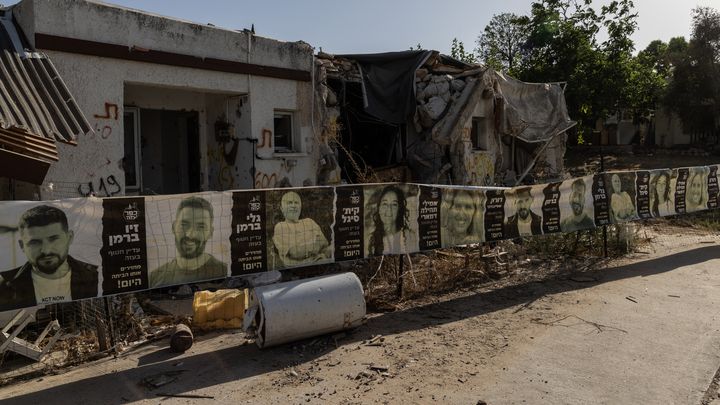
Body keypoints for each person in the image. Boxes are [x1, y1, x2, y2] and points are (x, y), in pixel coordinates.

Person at [0, 205, 98, 310]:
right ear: (22, 246)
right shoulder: (4, 285)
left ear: (69, 238)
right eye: (35, 242)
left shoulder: (96, 276)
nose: (46, 251)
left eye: (54, 239)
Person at [150, 196, 227, 288]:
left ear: (210, 232)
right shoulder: (154, 277)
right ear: (174, 227)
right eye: (184, 225)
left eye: (201, 227)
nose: (190, 235)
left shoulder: (224, 272)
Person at [272, 191, 331, 267]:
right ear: (282, 208)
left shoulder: (310, 221)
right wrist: (315, 246)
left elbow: (324, 245)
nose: (293, 206)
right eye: (289, 203)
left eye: (296, 203)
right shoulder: (280, 226)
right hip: (296, 269)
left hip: (320, 265)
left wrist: (304, 245)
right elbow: (296, 253)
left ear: (300, 207)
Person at [367, 185, 418, 256]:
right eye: (385, 204)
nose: (389, 210)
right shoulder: (373, 240)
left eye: (394, 205)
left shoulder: (408, 236)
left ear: (399, 209)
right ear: (379, 208)